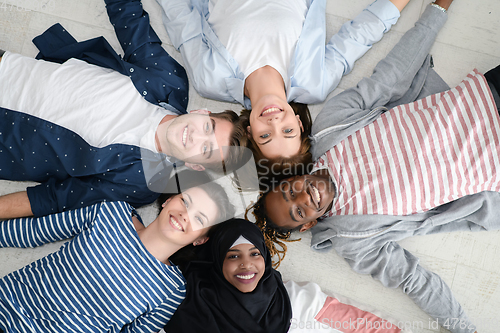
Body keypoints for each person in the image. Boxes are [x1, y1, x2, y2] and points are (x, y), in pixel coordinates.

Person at [251, 1, 489, 332]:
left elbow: (391, 76)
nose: (302, 198)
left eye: (290, 191)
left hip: (483, 100)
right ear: (308, 225)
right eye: (298, 212)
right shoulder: (355, 240)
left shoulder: (331, 127)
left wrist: (436, 10)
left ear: (294, 177)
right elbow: (413, 279)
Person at [0, 0, 242, 220]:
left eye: (206, 149)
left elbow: (55, 199)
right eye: (208, 128)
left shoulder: (144, 183)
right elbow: (130, 20)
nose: (197, 136)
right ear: (203, 113)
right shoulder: (168, 82)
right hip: (8, 69)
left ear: (195, 165)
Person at [156, 0, 411, 164]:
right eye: (288, 131)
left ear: (249, 132)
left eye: (265, 135)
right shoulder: (314, 83)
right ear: (299, 123)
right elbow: (361, 35)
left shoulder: (210, 79)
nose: (275, 122)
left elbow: (179, 16)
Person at [0, 180, 235, 332]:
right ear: (169, 200)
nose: (185, 214)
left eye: (199, 219)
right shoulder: (112, 211)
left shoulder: (172, 289)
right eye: (186, 201)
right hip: (8, 304)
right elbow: (35, 232)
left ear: (200, 239)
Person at [163, 218, 411, 333]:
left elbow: (370, 327)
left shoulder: (296, 301)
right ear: (217, 262)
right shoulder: (185, 301)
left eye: (254, 254)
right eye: (233, 256)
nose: (246, 265)